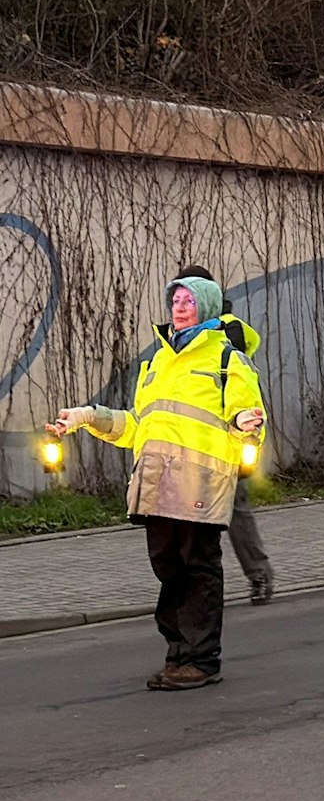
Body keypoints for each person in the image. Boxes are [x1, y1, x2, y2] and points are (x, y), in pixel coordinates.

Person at [51, 275, 265, 690]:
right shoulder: (158, 362)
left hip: (201, 486)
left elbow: (248, 415)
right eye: (175, 301)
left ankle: (201, 661)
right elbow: (137, 427)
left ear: (206, 306)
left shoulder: (227, 360)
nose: (179, 307)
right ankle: (179, 654)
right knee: (169, 571)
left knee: (197, 569)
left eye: (188, 300)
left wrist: (245, 424)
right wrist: (87, 417)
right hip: (156, 488)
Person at [174, 265, 275, 605]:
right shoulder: (183, 336)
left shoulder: (225, 333)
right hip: (193, 444)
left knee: (232, 509)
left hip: (223, 440)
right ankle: (242, 580)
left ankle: (256, 577)